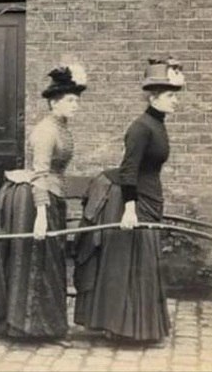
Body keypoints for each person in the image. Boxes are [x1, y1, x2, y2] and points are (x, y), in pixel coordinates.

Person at [0, 64, 87, 340]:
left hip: (51, 196)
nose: (76, 105)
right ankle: (23, 325)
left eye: (77, 100)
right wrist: (41, 215)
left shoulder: (61, 127)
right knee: (33, 261)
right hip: (34, 201)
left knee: (44, 262)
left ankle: (37, 324)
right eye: (70, 100)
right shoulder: (46, 131)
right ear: (54, 103)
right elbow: (40, 174)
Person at [73, 57, 185, 344]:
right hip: (133, 198)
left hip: (150, 196)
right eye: (171, 96)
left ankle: (136, 326)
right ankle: (122, 326)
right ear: (153, 97)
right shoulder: (141, 128)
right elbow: (129, 170)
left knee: (141, 261)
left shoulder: (157, 124)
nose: (176, 101)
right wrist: (129, 209)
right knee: (129, 262)